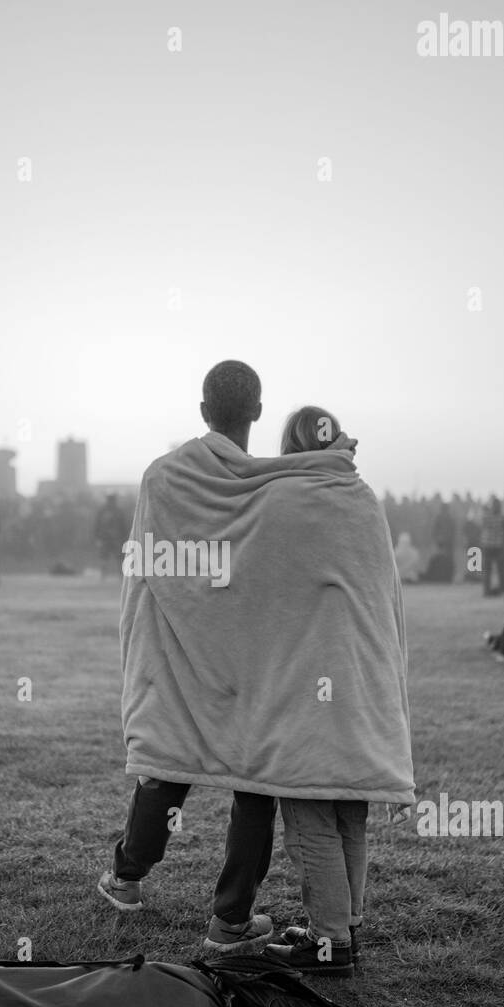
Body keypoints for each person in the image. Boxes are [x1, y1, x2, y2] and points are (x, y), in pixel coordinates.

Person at [98, 364, 414, 967]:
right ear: (258, 410)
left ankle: (127, 875)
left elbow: (150, 570)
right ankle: (234, 918)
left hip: (190, 646)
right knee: (259, 786)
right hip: (274, 665)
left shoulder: (168, 477)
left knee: (168, 762)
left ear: (202, 407)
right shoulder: (294, 490)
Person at [263, 407, 412, 975]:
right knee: (350, 809)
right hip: (364, 671)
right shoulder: (363, 497)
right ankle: (345, 929)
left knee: (307, 807)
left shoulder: (287, 500)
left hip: (310, 674)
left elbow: (264, 586)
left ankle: (328, 943)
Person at [94, 494, 130, 576]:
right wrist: (97, 538)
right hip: (106, 539)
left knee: (118, 558)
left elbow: (123, 526)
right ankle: (103, 575)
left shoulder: (117, 511)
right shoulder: (103, 511)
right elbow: (97, 525)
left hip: (115, 539)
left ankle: (120, 575)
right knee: (104, 557)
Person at [480, 496, 504, 595]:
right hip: (499, 545)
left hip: (487, 545)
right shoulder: (502, 517)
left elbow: (482, 525)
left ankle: (486, 590)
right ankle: (501, 589)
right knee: (500, 570)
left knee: (487, 570)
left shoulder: (487, 517)